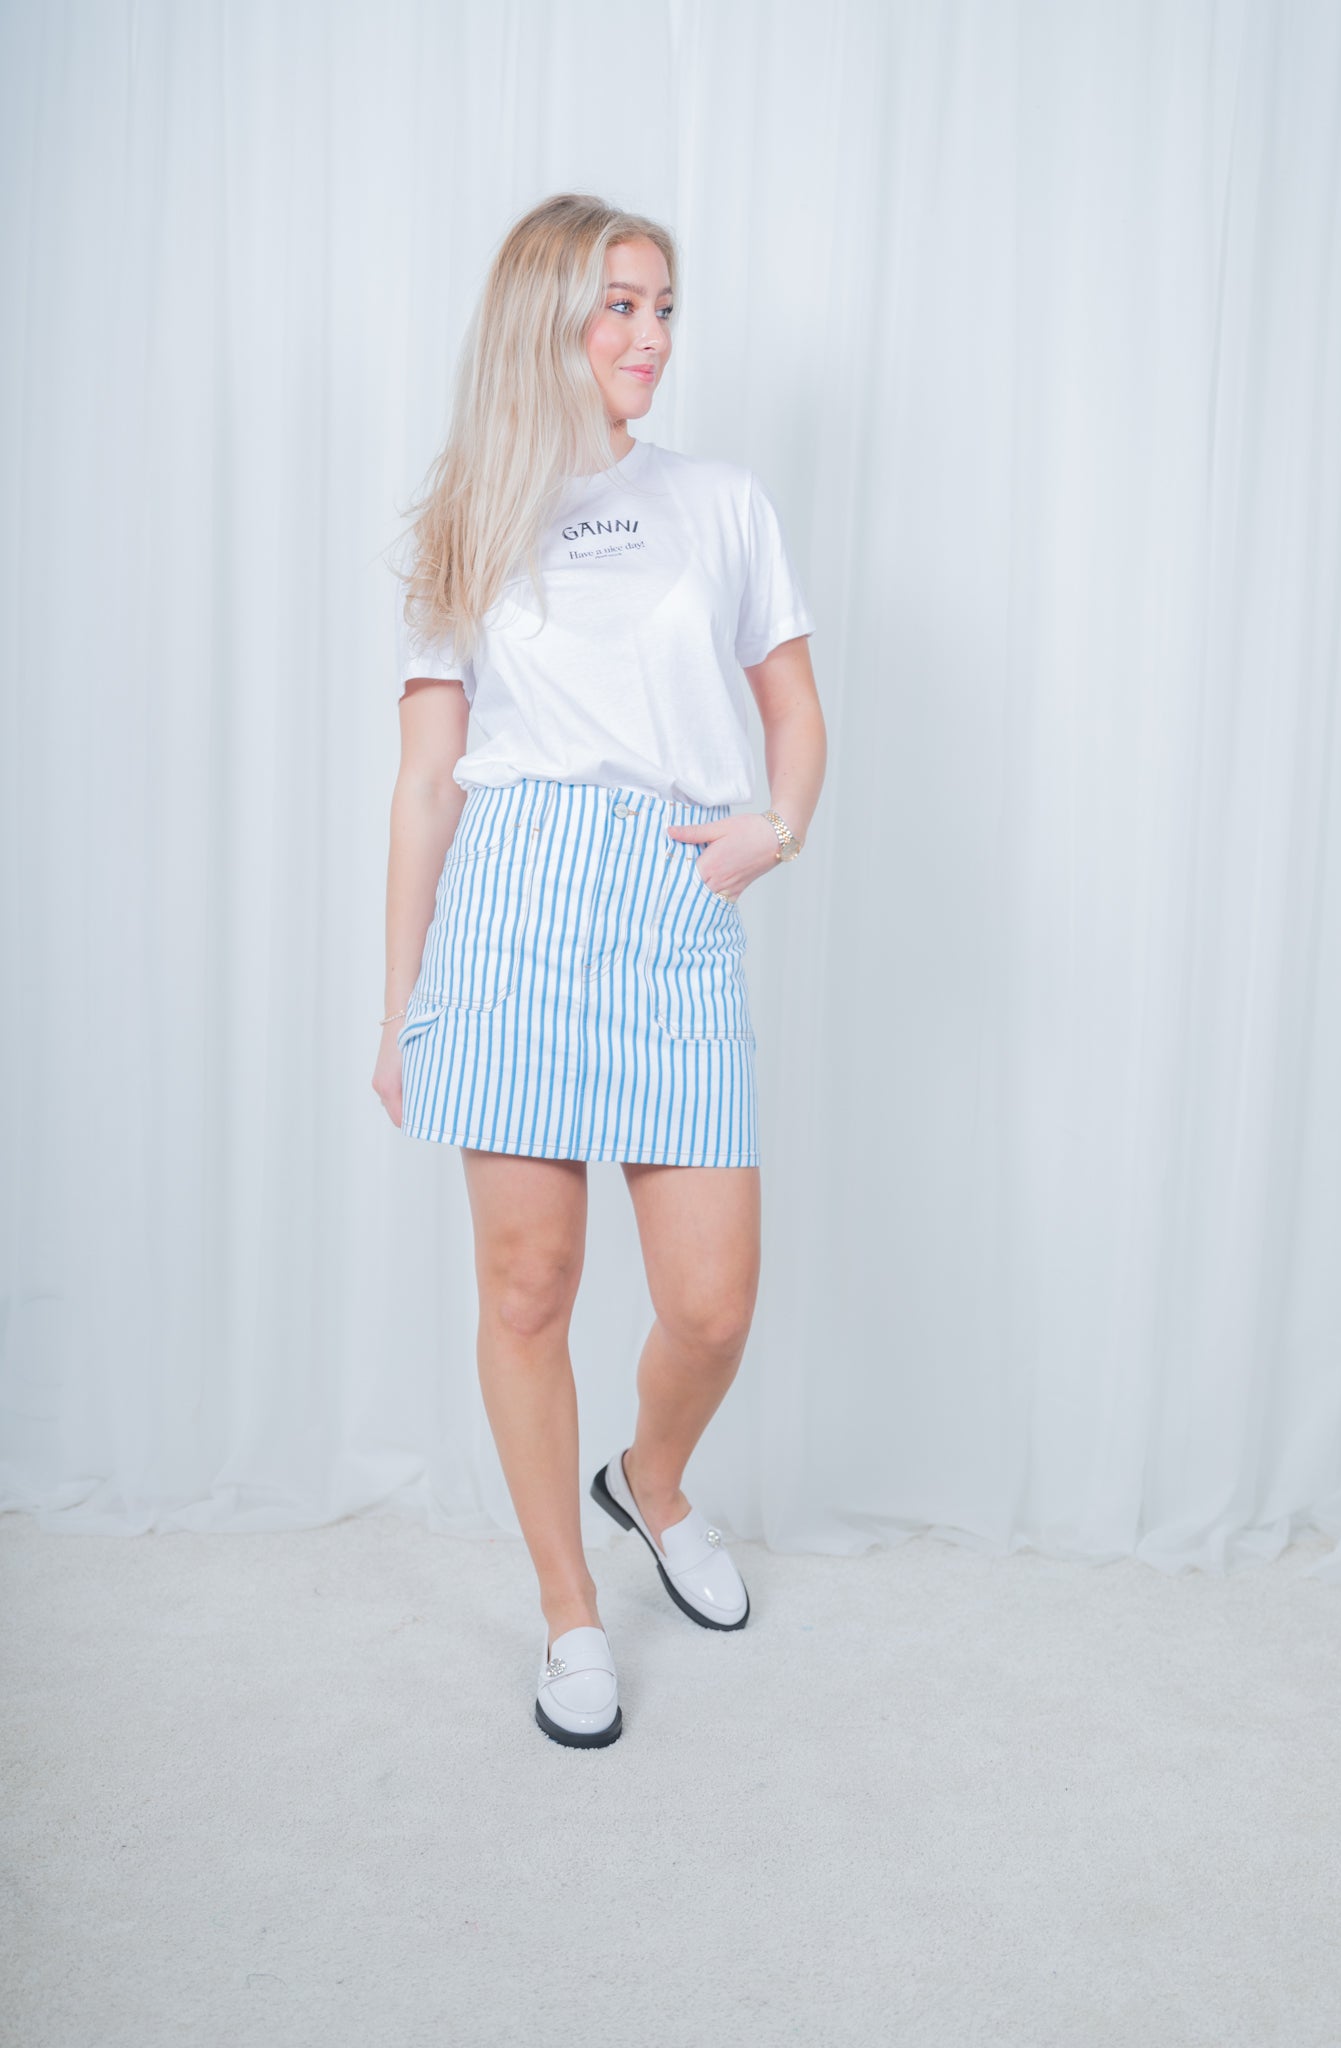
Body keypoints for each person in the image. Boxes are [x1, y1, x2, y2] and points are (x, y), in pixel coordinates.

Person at [372, 193, 827, 1748]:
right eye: (618, 306)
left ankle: (651, 1481)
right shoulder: (465, 516)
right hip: (511, 906)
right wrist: (400, 1008)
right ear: (545, 318)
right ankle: (570, 1611)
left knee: (710, 1302)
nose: (649, 338)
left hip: (670, 902)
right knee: (528, 1286)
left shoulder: (718, 502)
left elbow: (793, 709)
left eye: (663, 308)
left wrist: (775, 829)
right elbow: (425, 785)